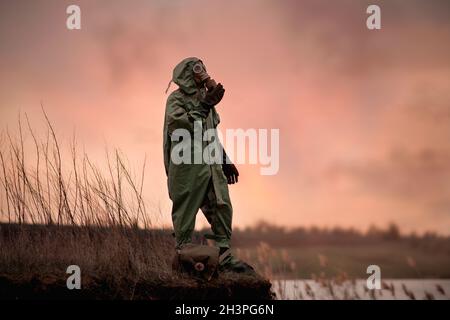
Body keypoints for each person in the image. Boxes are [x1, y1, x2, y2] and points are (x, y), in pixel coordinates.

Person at [163, 57, 253, 273]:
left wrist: (225, 160)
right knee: (185, 209)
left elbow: (210, 134)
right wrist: (203, 105)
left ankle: (224, 256)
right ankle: (185, 259)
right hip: (187, 167)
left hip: (211, 165)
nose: (201, 75)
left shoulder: (206, 100)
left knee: (222, 206)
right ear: (187, 75)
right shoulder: (176, 100)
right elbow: (179, 127)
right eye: (196, 71)